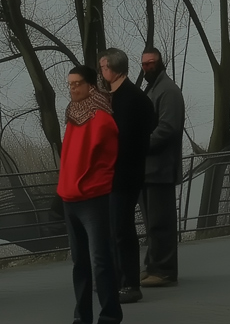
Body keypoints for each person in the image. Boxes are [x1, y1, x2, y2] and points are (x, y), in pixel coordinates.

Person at [58, 65, 121, 324]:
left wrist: (90, 183)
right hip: (70, 198)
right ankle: (81, 318)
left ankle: (109, 317)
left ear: (90, 85)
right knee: (79, 264)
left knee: (100, 262)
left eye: (77, 84)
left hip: (92, 198)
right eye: (70, 84)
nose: (73, 88)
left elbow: (108, 161)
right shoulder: (73, 114)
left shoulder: (102, 117)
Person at [98, 48, 153, 304]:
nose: (101, 71)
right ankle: (117, 279)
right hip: (116, 174)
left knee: (122, 229)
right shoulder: (116, 97)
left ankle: (130, 283)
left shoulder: (131, 98)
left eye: (102, 66)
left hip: (124, 174)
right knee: (113, 228)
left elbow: (127, 140)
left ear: (109, 67)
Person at [137, 46, 184, 288]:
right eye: (143, 64)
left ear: (160, 62)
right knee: (152, 223)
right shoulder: (154, 89)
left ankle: (164, 270)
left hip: (160, 169)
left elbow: (168, 128)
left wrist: (140, 145)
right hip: (149, 168)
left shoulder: (168, 91)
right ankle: (153, 266)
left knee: (161, 222)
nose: (146, 68)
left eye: (151, 63)